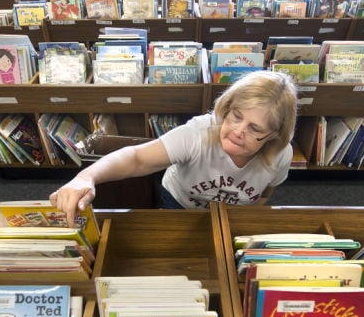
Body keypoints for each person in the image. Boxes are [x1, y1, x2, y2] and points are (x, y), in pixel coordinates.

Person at [50, 70, 298, 228]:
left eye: (254, 128)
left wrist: (242, 219)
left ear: (274, 135)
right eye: (235, 116)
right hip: (178, 202)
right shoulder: (197, 134)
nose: (237, 130)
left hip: (233, 212)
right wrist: (85, 177)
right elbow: (136, 157)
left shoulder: (281, 153)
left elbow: (266, 192)